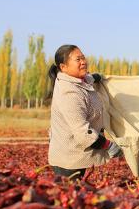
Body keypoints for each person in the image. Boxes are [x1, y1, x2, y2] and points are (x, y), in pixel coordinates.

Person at [47, 44, 122, 179]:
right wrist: (108, 145)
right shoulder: (69, 93)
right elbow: (82, 132)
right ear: (63, 67)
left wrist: (97, 78)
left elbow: (89, 78)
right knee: (70, 193)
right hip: (68, 161)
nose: (83, 62)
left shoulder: (78, 80)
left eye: (83, 58)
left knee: (78, 192)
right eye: (78, 60)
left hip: (77, 153)